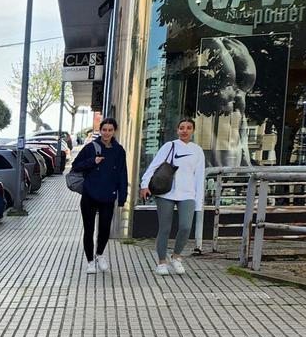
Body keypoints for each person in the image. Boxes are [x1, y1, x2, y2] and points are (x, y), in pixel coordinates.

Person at [141, 118, 205, 276]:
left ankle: (176, 257)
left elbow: (199, 176)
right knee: (165, 228)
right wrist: (144, 185)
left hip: (188, 193)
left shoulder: (197, 150)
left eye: (189, 128)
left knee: (185, 227)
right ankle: (162, 262)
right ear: (177, 130)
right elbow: (154, 165)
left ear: (193, 131)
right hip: (166, 192)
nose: (185, 130)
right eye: (181, 128)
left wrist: (199, 201)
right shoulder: (170, 146)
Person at [70, 118, 127, 274]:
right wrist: (92, 161)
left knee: (104, 229)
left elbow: (123, 174)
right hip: (89, 194)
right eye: (104, 130)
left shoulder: (119, 150)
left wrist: (122, 197)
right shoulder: (90, 148)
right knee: (88, 230)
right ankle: (90, 261)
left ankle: (99, 254)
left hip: (108, 195)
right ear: (100, 130)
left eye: (110, 130)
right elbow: (75, 166)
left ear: (114, 131)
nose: (107, 133)